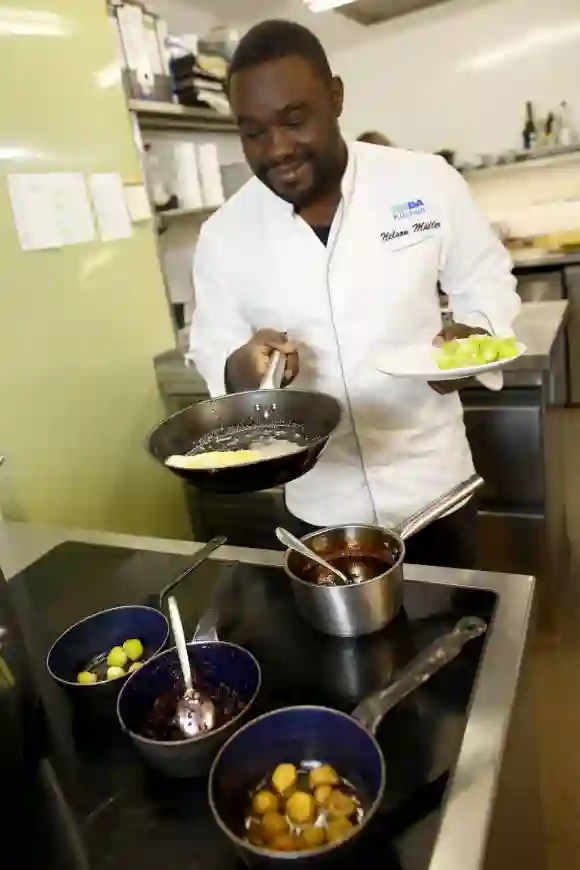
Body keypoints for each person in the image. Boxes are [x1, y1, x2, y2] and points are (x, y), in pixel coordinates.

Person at [188, 20, 520, 568]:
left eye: (294, 121)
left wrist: (476, 336)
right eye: (252, 133)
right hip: (322, 509)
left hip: (435, 486)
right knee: (343, 648)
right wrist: (243, 371)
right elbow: (214, 347)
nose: (277, 149)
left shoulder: (424, 182)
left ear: (336, 97)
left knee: (463, 637)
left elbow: (485, 278)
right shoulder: (225, 233)